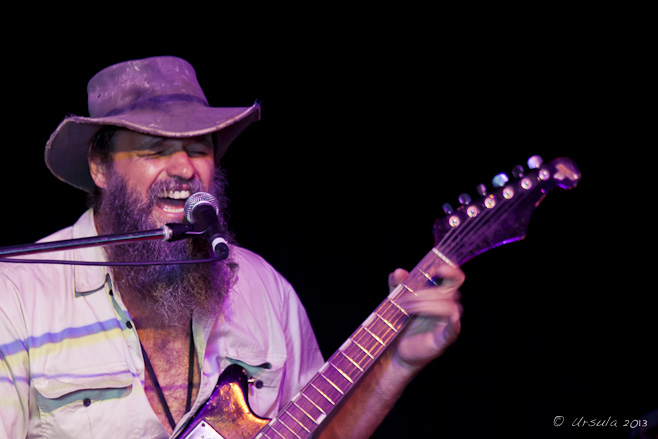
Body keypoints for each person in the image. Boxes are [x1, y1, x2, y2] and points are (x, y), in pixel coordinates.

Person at [0, 56, 464, 438]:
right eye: (156, 148)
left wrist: (397, 362)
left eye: (199, 147)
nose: (184, 167)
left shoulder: (265, 289)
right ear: (100, 167)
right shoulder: (18, 297)